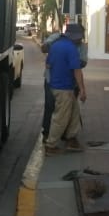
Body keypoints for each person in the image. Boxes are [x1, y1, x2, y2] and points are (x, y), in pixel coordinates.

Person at [44, 23, 87, 154]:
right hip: (64, 87)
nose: (81, 40)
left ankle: (71, 140)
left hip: (56, 85)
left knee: (74, 113)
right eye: (80, 37)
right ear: (75, 37)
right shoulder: (71, 48)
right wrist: (82, 90)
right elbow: (77, 70)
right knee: (61, 117)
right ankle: (51, 146)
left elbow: (48, 64)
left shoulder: (55, 45)